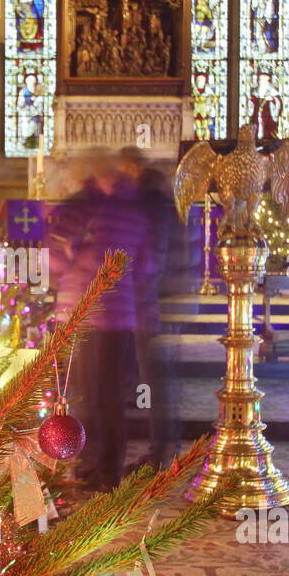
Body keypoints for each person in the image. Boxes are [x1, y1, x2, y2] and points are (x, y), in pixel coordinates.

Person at [47, 151, 143, 491]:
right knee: (109, 396)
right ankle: (108, 470)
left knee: (89, 395)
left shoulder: (85, 206)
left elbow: (56, 260)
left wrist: (70, 254)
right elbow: (141, 264)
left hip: (85, 311)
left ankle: (93, 469)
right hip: (120, 314)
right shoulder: (132, 208)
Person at [118, 150, 186, 468]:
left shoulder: (147, 202)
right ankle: (161, 448)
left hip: (152, 303)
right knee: (155, 379)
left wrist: (140, 294)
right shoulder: (160, 198)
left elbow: (152, 256)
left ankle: (160, 454)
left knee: (153, 380)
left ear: (133, 167)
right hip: (160, 300)